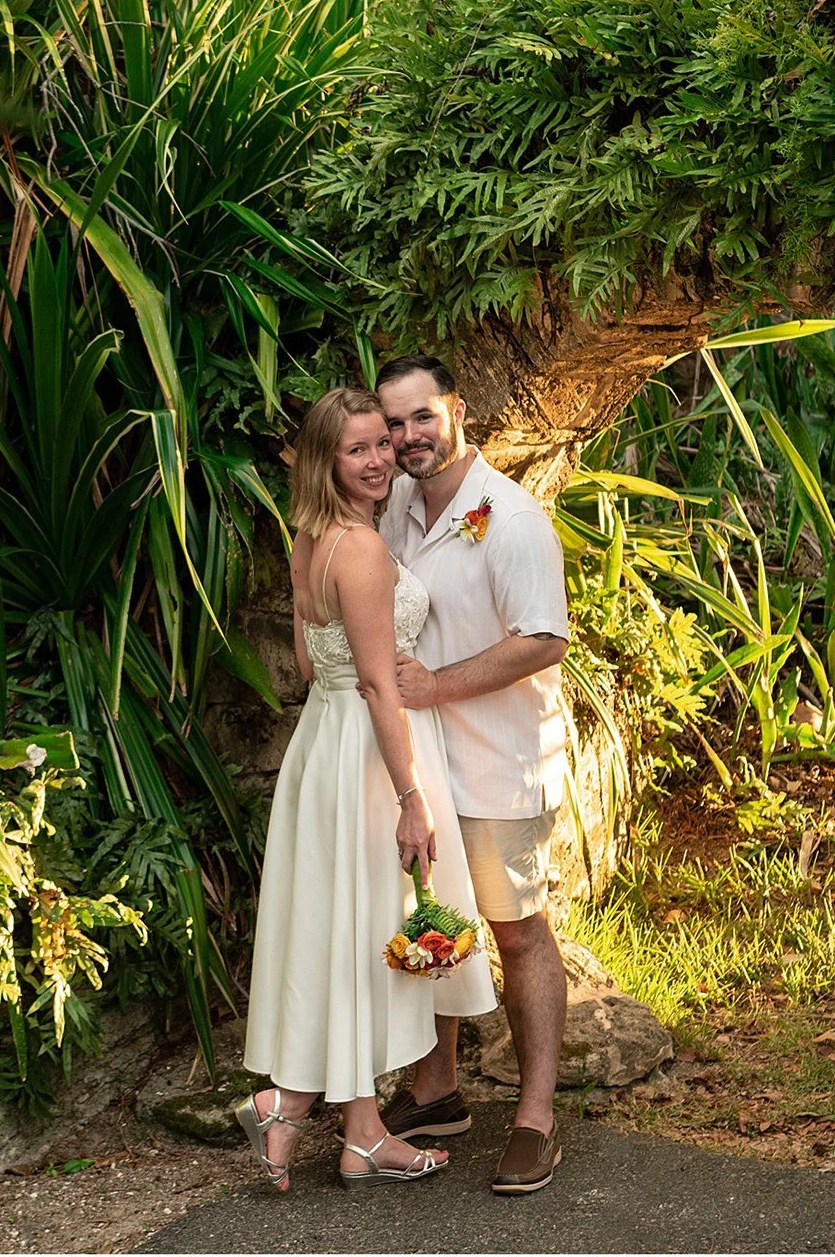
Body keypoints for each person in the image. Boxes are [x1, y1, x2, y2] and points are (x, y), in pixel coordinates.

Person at [238, 386, 496, 1191]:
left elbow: (314, 665)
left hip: (323, 743)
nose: (382, 458)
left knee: (346, 933)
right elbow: (382, 689)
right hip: (369, 755)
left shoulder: (310, 538)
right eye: (359, 449)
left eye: (383, 442)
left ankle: (343, 1129)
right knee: (366, 934)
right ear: (327, 461)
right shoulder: (361, 550)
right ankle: (306, 1112)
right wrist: (411, 797)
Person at [374, 354, 575, 1197]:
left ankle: (534, 1119)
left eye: (422, 416)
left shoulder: (510, 518)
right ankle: (437, 1090)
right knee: (435, 919)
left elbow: (545, 638)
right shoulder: (391, 508)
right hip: (424, 765)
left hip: (497, 762)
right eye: (393, 423)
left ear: (456, 411)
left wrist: (438, 685)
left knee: (514, 928)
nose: (408, 436)